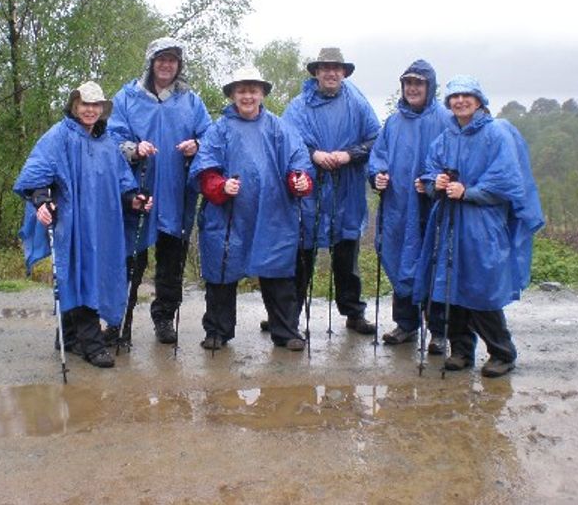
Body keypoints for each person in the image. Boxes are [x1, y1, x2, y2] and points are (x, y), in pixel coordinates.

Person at [14, 81, 152, 369]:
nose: (90, 110)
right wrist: (41, 202)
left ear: (102, 109)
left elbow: (122, 183)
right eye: (84, 104)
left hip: (103, 224)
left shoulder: (108, 143)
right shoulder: (59, 135)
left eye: (95, 105)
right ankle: (93, 344)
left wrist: (134, 200)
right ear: (74, 106)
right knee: (79, 275)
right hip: (72, 222)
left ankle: (68, 336)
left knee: (86, 275)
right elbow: (38, 173)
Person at [414, 75, 544, 377]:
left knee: (481, 289)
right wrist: (437, 182)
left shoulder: (496, 133)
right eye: (454, 97)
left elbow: (507, 182)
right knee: (451, 286)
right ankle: (461, 351)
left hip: (482, 225)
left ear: (479, 99)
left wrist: (467, 192)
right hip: (448, 223)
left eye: (466, 96)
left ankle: (502, 352)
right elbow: (430, 171)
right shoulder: (446, 137)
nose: (459, 101)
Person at [190, 66, 313, 351]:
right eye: (241, 90)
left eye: (253, 90)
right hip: (228, 216)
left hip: (274, 215)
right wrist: (220, 186)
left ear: (262, 94)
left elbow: (299, 166)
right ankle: (218, 331)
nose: (247, 96)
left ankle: (286, 331)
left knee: (279, 274)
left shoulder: (279, 128)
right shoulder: (218, 129)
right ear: (233, 94)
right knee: (222, 274)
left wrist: (298, 181)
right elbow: (205, 170)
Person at [108, 37, 212, 345]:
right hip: (138, 193)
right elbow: (111, 140)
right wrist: (134, 149)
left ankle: (164, 318)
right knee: (131, 262)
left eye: (172, 60)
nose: (166, 64)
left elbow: (212, 137)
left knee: (171, 261)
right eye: (161, 59)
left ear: (179, 66)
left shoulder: (191, 101)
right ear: (150, 62)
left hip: (177, 193)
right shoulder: (127, 98)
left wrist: (198, 146)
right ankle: (118, 322)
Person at [277, 47, 381, 335]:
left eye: (337, 68)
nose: (331, 73)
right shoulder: (298, 106)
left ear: (344, 72)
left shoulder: (358, 103)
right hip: (309, 189)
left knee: (346, 255)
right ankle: (288, 315)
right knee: (301, 256)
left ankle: (353, 313)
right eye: (325, 68)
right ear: (316, 72)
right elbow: (286, 140)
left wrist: (349, 154)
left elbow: (375, 139)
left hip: (347, 189)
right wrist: (314, 155)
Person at [367, 59, 454, 352]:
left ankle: (439, 331)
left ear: (429, 87)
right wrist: (377, 175)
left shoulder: (445, 119)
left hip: (434, 209)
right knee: (399, 259)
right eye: (408, 84)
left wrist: (432, 182)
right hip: (398, 208)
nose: (413, 89)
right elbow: (378, 155)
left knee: (434, 264)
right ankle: (406, 324)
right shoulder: (393, 122)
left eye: (418, 83)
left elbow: (454, 161)